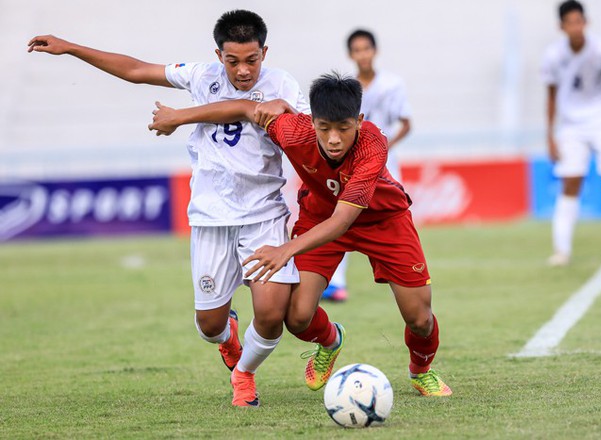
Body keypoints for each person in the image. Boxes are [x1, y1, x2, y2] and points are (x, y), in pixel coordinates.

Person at [28, 9, 310, 407]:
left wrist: (184, 117)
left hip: (264, 217)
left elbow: (300, 131)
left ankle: (244, 376)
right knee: (209, 327)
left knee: (270, 313)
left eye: (252, 60)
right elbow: (136, 70)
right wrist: (72, 48)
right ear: (219, 55)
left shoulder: (283, 84)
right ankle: (227, 337)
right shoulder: (201, 76)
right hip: (211, 219)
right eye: (233, 61)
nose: (243, 70)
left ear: (265, 51)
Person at [148, 72, 452, 397]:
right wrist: (180, 117)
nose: (333, 139)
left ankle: (421, 371)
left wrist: (285, 250)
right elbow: (243, 108)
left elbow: (343, 220)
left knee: (419, 318)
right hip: (319, 216)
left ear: (360, 121)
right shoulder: (294, 131)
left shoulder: (373, 145)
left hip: (383, 221)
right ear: (312, 121)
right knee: (297, 317)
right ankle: (330, 340)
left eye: (343, 128)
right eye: (324, 128)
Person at [541, 0, 601, 266]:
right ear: (561, 26)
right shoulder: (553, 55)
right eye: (570, 22)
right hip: (572, 126)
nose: (576, 27)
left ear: (586, 22)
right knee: (570, 183)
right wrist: (550, 134)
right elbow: (550, 95)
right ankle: (562, 250)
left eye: (579, 21)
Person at [321, 29, 413, 302]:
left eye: (366, 49)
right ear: (350, 54)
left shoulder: (392, 84)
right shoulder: (347, 88)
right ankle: (335, 283)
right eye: (357, 50)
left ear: (375, 51)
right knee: (341, 219)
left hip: (384, 166)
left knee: (395, 218)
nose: (362, 54)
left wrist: (384, 148)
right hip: (349, 167)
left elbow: (406, 123)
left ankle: (405, 275)